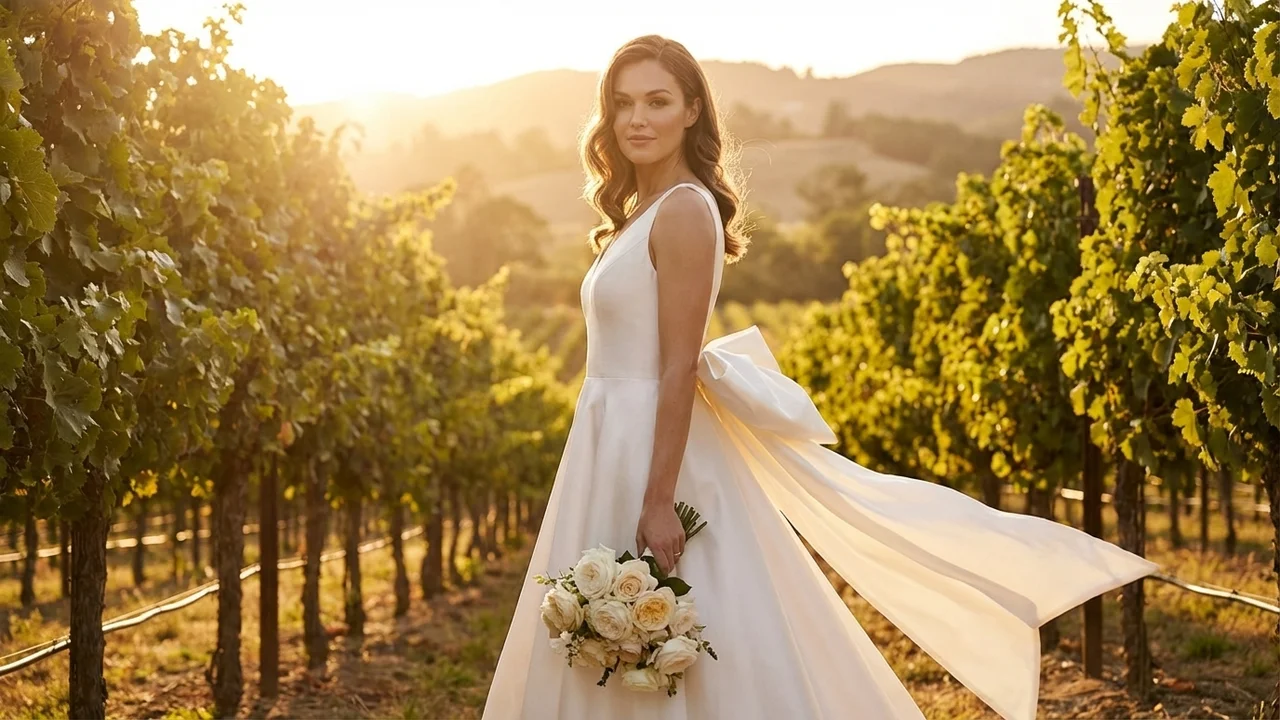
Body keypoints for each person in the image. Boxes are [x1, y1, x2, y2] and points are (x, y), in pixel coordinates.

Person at [481, 35, 1157, 720]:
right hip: (608, 440)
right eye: (622, 103)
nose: (637, 119)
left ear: (692, 110)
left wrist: (659, 500)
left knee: (687, 638)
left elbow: (679, 365)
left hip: (654, 451)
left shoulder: (684, 209)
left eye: (657, 101)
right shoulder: (636, 216)